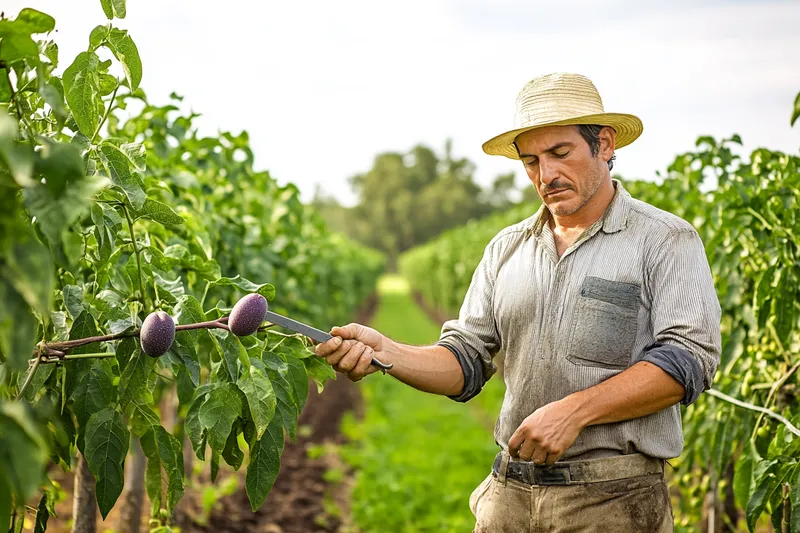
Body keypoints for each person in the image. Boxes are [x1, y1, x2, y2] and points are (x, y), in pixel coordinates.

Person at [313, 72, 721, 532]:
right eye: (531, 162)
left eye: (560, 154)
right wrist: (388, 352)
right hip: (508, 496)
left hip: (613, 503)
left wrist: (575, 411)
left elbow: (689, 359)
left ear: (605, 144)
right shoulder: (506, 249)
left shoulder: (664, 240)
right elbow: (465, 360)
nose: (545, 175)